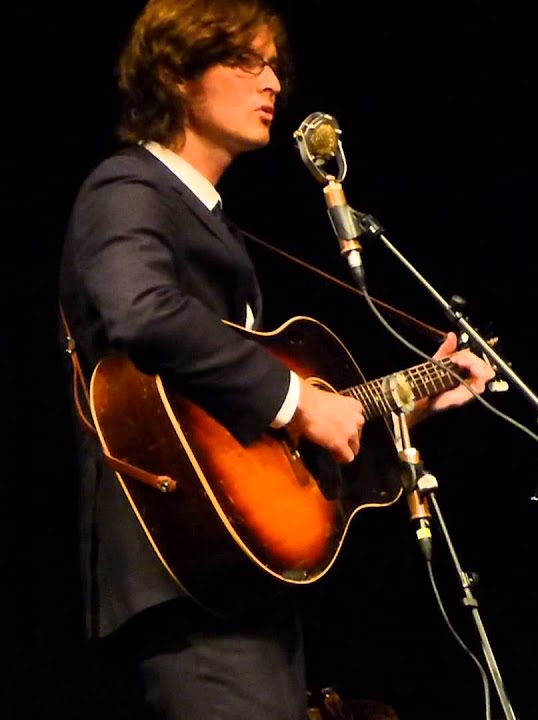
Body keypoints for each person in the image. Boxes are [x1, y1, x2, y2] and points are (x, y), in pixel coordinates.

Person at [56, 1, 494, 718]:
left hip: (243, 580)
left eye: (274, 65)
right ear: (174, 74)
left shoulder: (211, 221)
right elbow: (140, 309)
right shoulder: (126, 187)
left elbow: (257, 434)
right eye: (245, 61)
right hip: (184, 570)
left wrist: (411, 404)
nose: (272, 83)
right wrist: (296, 400)